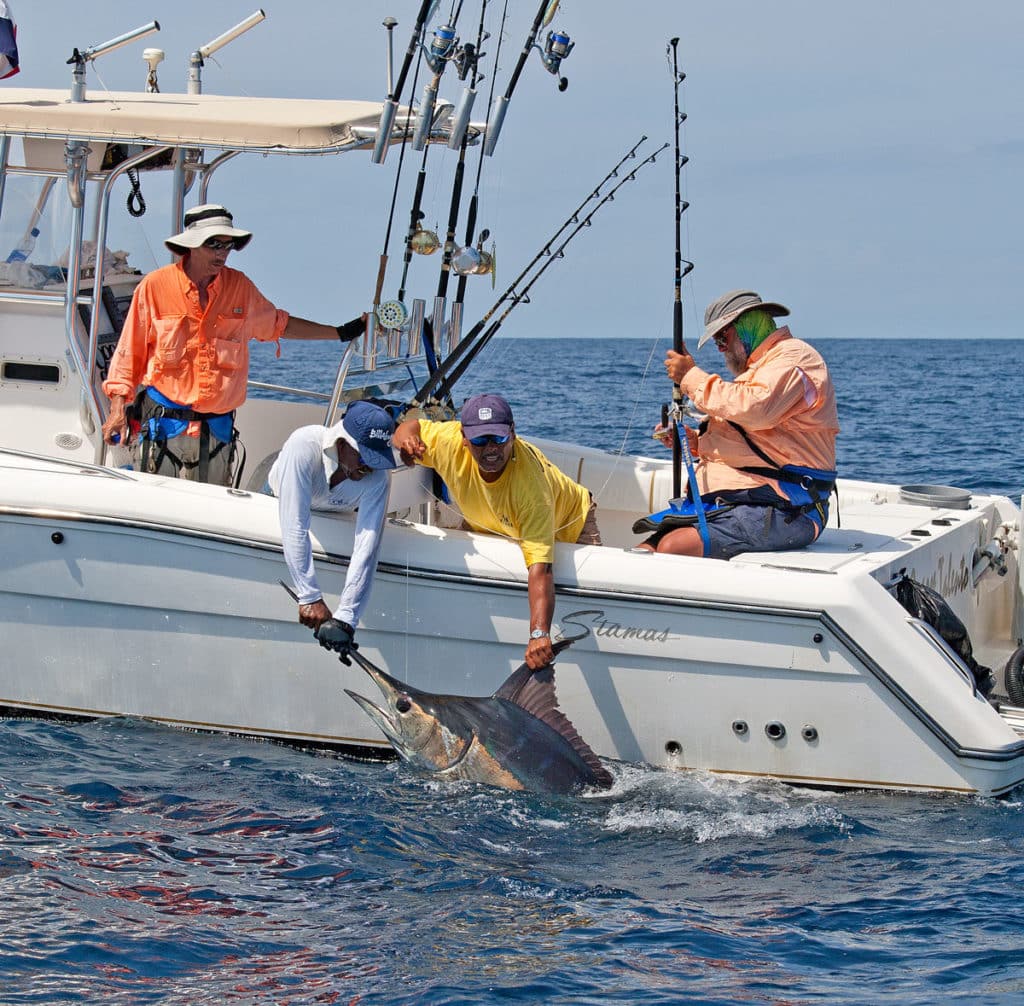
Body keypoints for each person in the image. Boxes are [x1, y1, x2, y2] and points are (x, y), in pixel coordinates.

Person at [101, 203, 367, 485]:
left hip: (217, 431)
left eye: (228, 245)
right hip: (163, 427)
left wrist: (340, 332)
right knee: (156, 508)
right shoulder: (155, 286)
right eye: (213, 244)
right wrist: (117, 410)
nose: (222, 252)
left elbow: (279, 324)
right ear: (191, 245)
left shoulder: (240, 287)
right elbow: (129, 353)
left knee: (211, 510)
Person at [392, 393, 601, 670]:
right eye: (480, 440)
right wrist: (406, 441)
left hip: (570, 528)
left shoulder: (531, 490)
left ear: (513, 433)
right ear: (463, 437)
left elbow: (542, 570)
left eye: (498, 439)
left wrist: (539, 634)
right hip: (490, 523)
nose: (490, 449)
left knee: (588, 621)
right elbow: (409, 427)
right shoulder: (448, 442)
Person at [642, 289, 838, 559]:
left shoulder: (793, 359)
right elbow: (756, 438)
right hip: (746, 500)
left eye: (722, 336)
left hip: (792, 508)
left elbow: (754, 409)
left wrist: (690, 377)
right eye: (716, 342)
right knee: (644, 551)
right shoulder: (763, 369)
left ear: (748, 323)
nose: (721, 348)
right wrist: (693, 442)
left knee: (672, 548)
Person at [268, 400, 398, 663]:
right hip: (277, 495)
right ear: (341, 443)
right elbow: (294, 523)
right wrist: (310, 596)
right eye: (364, 457)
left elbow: (367, 547)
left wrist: (347, 617)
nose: (369, 468)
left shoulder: (377, 478)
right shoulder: (303, 444)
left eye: (376, 460)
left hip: (337, 514)